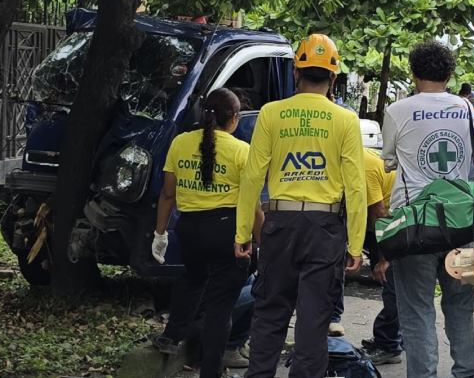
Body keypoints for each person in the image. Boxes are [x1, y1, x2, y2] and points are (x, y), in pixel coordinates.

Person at [234, 34, 367, 378]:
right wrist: (356, 243)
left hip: (279, 223)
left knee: (269, 312)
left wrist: (243, 232)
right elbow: (355, 187)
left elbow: (251, 177)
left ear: (296, 73)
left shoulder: (271, 113)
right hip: (325, 229)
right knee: (314, 320)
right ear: (333, 77)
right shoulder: (345, 120)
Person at [382, 40, 474, 378]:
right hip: (463, 223)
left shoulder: (397, 110)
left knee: (416, 310)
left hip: (414, 225)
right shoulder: (467, 110)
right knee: (461, 306)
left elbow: (389, 161)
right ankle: (465, 373)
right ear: (450, 73)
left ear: (413, 72)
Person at [150, 88, 261, 378]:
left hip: (190, 230)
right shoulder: (241, 151)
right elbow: (253, 205)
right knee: (220, 307)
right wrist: (261, 239)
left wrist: (159, 234)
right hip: (228, 232)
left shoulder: (181, 143)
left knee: (192, 280)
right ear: (234, 119)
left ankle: (172, 337)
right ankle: (210, 371)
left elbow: (167, 194)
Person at [359, 147, 403, 365]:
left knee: (392, 283)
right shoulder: (362, 154)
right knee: (392, 285)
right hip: (386, 223)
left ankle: (389, 344)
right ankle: (390, 338)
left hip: (392, 224)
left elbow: (378, 212)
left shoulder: (364, 166)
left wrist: (384, 259)